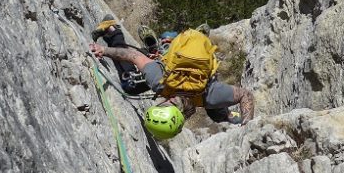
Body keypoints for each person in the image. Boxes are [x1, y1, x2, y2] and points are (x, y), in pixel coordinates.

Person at [89, 20, 255, 138]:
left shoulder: (210, 96)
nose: (164, 101)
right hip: (185, 68)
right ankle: (116, 33)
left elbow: (245, 95)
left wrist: (248, 126)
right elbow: (133, 56)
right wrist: (104, 49)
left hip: (185, 69)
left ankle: (163, 45)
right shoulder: (160, 83)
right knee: (131, 84)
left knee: (217, 112)